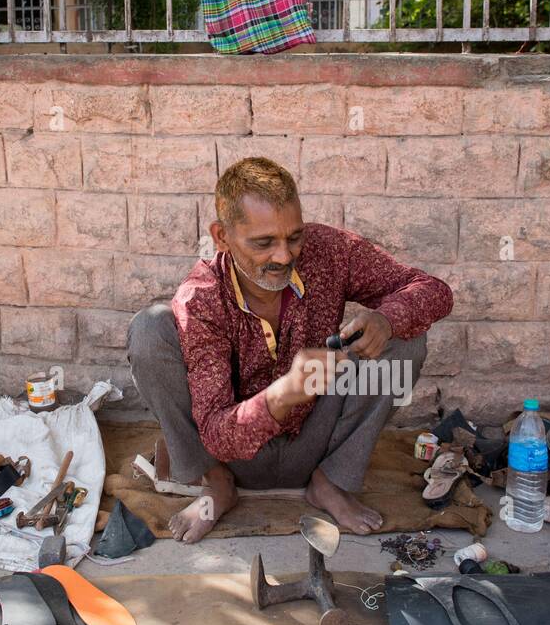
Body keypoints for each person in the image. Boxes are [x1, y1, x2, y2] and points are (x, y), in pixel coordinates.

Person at [128, 157, 454, 543]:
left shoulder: (330, 251)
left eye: (293, 237)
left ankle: (330, 482)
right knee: (150, 328)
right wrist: (280, 397)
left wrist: (387, 320)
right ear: (222, 237)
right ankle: (216, 486)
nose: (284, 255)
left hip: (316, 439)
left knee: (407, 337)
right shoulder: (202, 298)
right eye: (264, 243)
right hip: (235, 456)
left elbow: (434, 290)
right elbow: (217, 433)